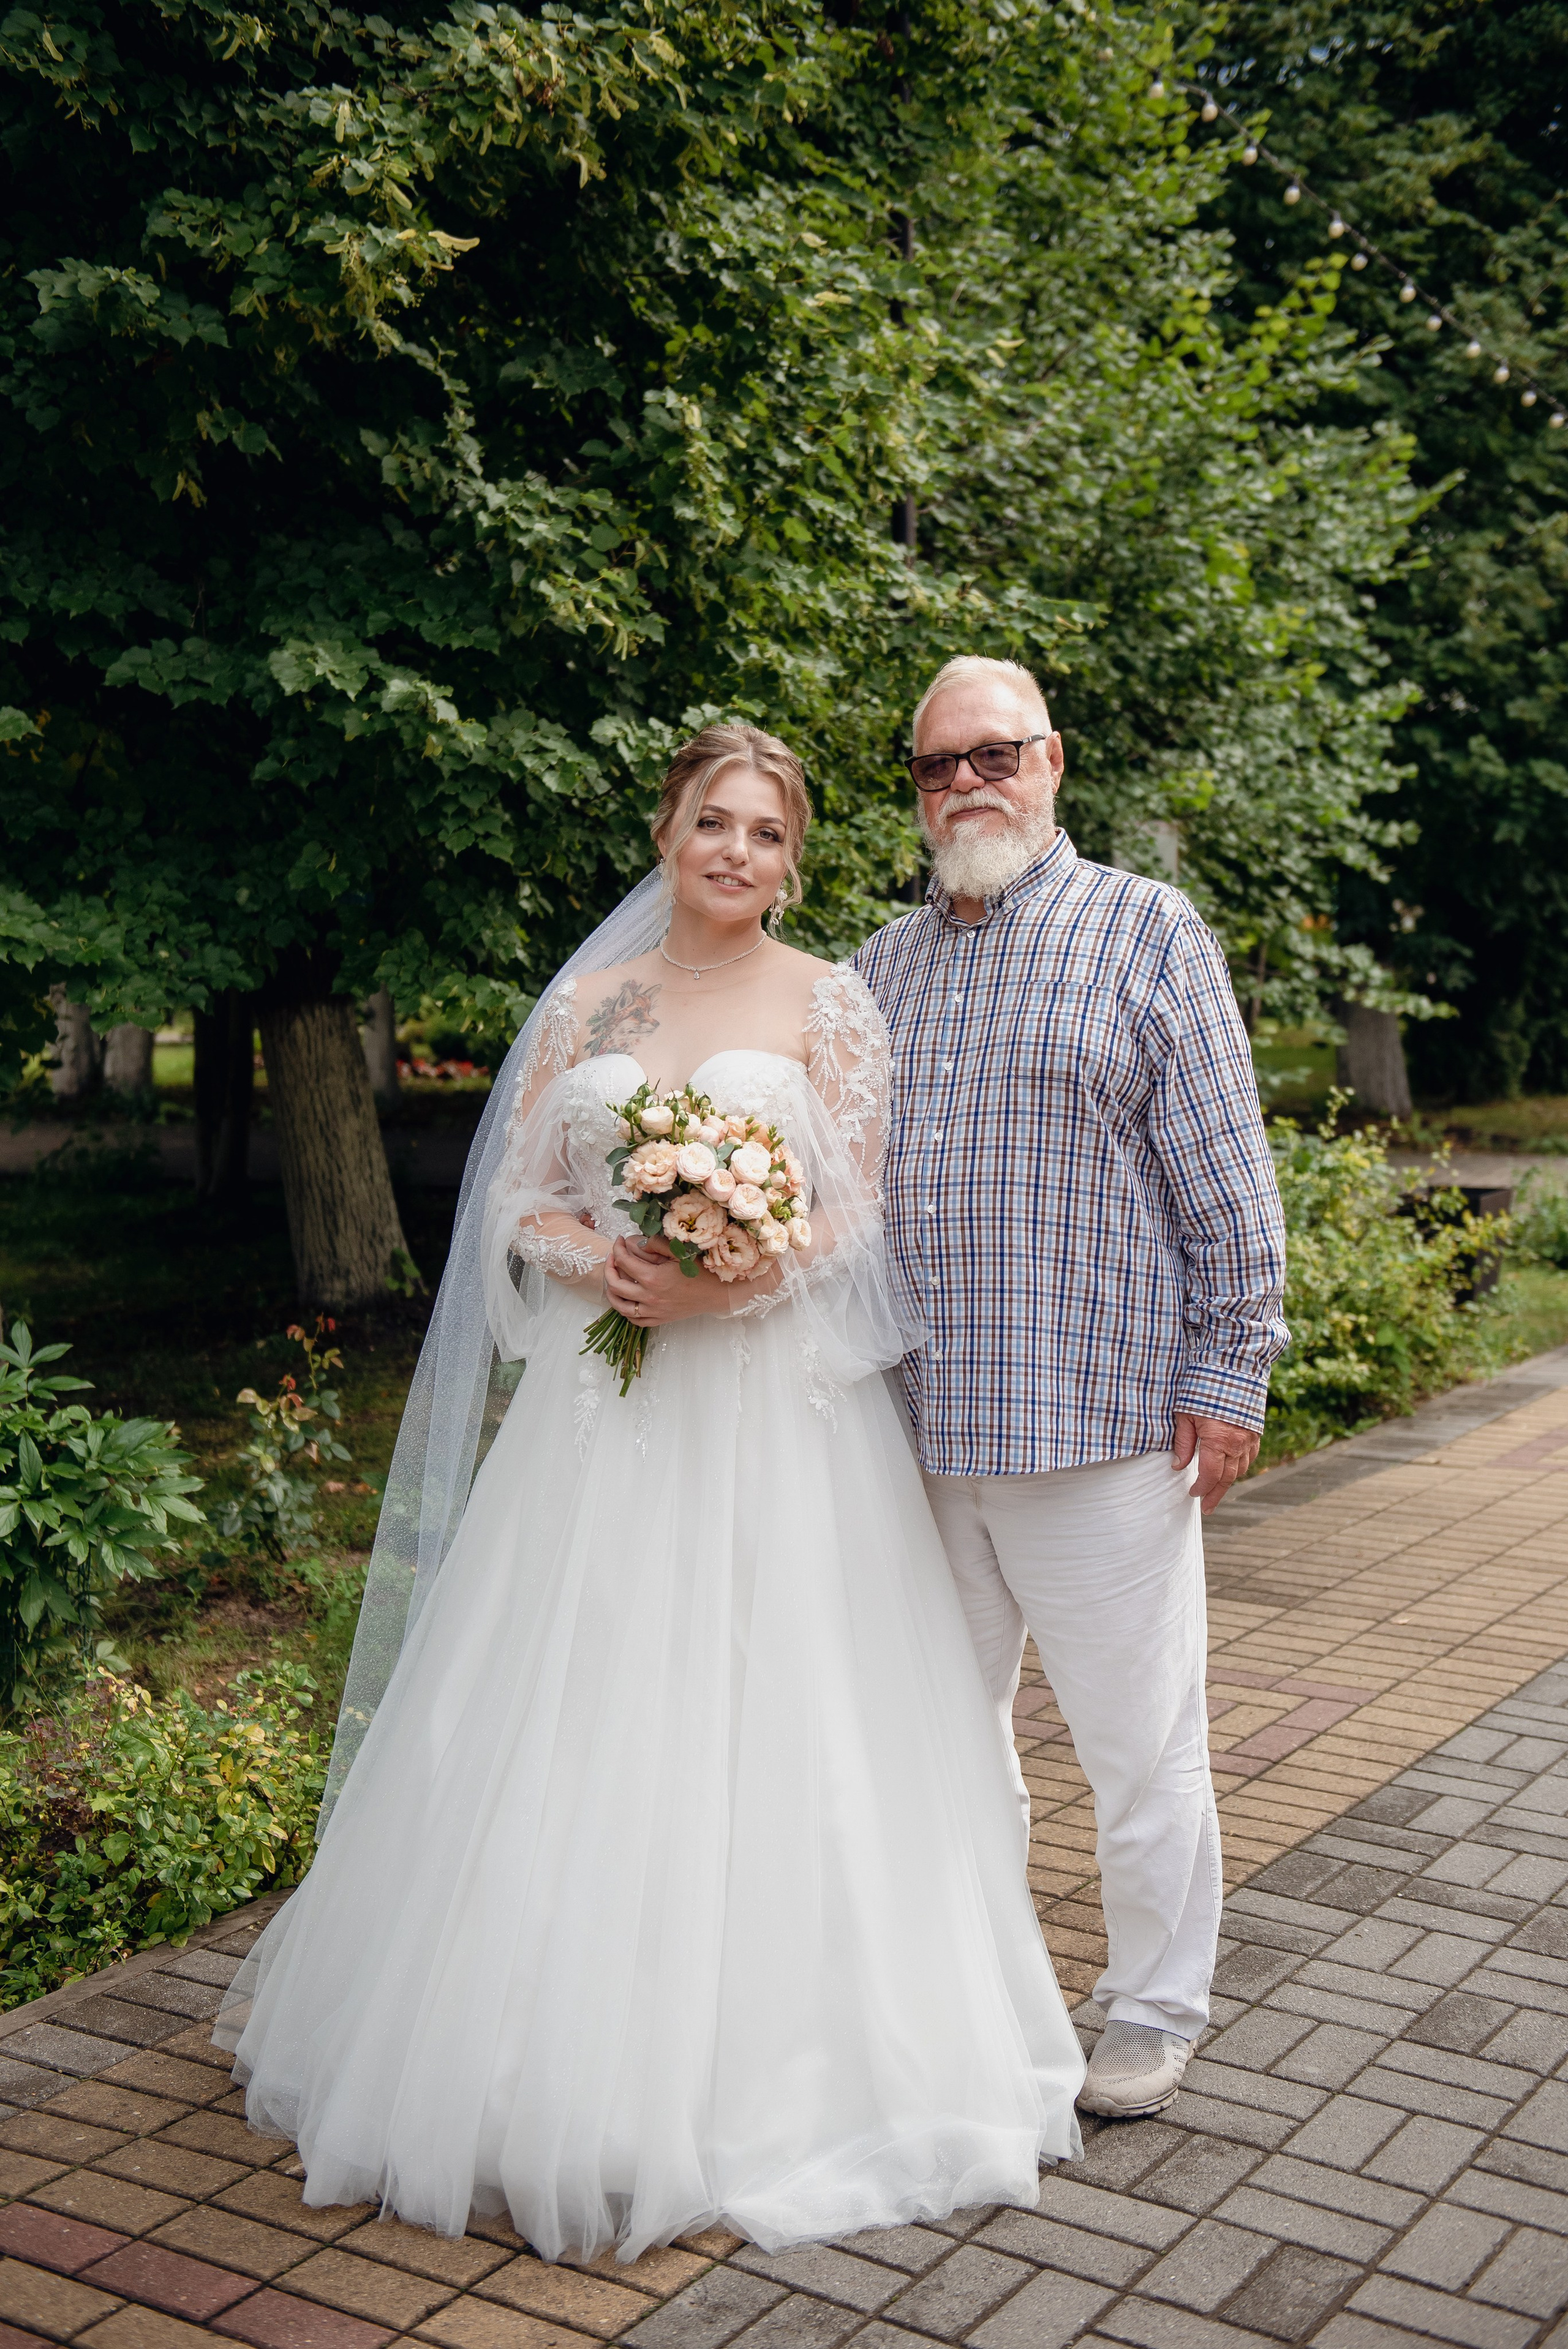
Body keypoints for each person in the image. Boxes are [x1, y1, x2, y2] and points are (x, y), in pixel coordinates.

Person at [215, 720, 1084, 2260]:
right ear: (669, 831)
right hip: (597, 1416)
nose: (733, 851)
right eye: (710, 821)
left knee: (771, 1706)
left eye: (763, 831)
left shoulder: (833, 1002)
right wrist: (601, 1263)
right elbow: (516, 1201)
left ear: (792, 856)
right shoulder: (587, 1002)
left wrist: (738, 1272)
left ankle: (782, 2068)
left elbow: (857, 1218)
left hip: (767, 1420)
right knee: (576, 1694)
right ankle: (533, 2060)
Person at [854, 656, 1289, 2122]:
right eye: (936, 765)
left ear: (1052, 760)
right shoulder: (874, 972)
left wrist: (1230, 1373)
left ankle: (1155, 2005)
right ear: (915, 789)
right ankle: (984, 1984)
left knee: (1139, 1744)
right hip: (915, 1433)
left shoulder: (1146, 934)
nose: (964, 782)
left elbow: (1228, 1180)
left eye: (993, 754)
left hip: (1101, 1425)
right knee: (943, 1735)